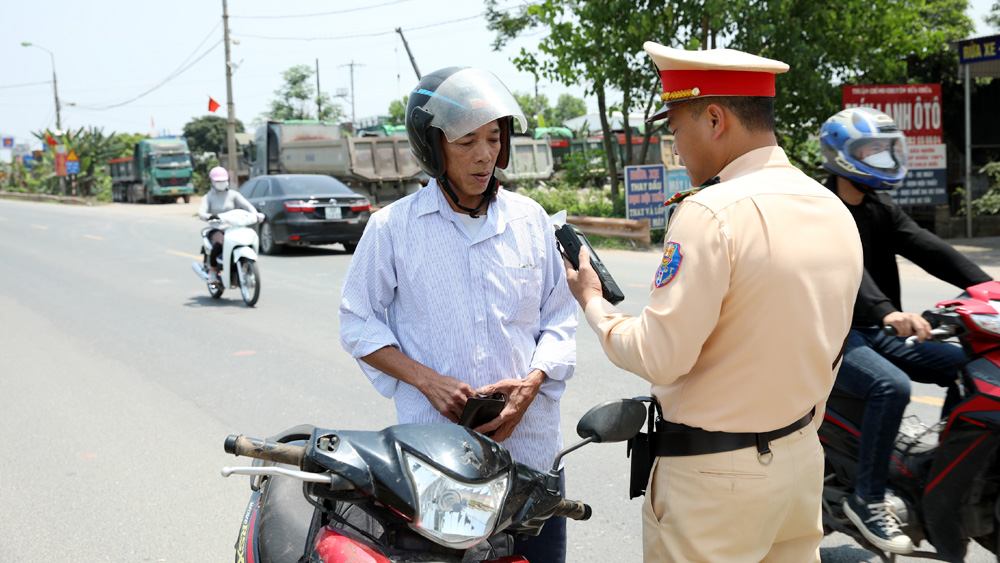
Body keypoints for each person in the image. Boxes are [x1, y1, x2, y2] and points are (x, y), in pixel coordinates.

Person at [563, 43, 864, 563]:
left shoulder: (711, 212)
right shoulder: (831, 207)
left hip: (714, 481)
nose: (676, 149)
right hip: (798, 463)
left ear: (715, 119)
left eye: (676, 130)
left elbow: (660, 356)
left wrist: (595, 306)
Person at [338, 67, 578, 562]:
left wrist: (533, 382)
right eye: (467, 140)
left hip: (531, 464)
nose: (485, 154)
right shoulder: (393, 229)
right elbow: (357, 321)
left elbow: (559, 320)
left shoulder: (531, 220)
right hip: (437, 471)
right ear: (433, 147)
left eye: (494, 137)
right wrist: (427, 381)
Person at [819, 106, 992, 554]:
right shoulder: (821, 211)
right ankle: (869, 498)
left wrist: (988, 286)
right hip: (836, 336)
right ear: (841, 157)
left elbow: (929, 248)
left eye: (884, 149)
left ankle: (943, 468)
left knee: (968, 364)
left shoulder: (879, 205)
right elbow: (847, 269)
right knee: (890, 386)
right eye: (871, 150)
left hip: (878, 330)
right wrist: (886, 313)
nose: (882, 157)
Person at [197, 166, 257, 284]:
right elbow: (201, 212)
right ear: (213, 182)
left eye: (223, 180)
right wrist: (209, 216)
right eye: (218, 181)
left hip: (233, 228)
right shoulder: (208, 197)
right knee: (219, 244)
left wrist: (256, 214)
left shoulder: (233, 195)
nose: (221, 183)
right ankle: (213, 270)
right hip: (217, 229)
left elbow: (247, 206)